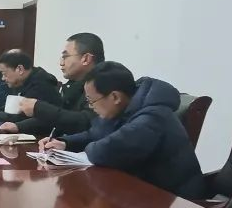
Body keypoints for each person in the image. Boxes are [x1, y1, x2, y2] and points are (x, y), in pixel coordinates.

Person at [40, 61, 206, 199]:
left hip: (175, 201)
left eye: (91, 101)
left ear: (115, 97)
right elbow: (95, 133)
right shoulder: (124, 107)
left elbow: (107, 150)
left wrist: (87, 149)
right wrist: (65, 143)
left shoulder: (153, 116)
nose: (91, 107)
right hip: (140, 192)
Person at [0, 32, 105, 136]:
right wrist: (19, 126)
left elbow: (86, 122)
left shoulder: (103, 84)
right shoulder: (72, 85)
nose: (61, 63)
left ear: (86, 59)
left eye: (65, 56)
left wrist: (38, 107)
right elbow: (59, 119)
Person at [0, 50, 61, 123]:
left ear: (20, 69)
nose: (3, 78)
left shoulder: (41, 84)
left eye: (4, 73)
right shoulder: (21, 82)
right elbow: (11, 109)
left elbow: (22, 116)